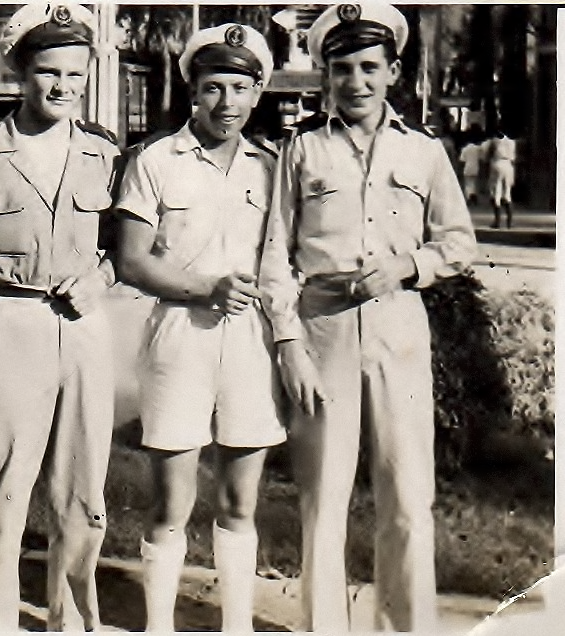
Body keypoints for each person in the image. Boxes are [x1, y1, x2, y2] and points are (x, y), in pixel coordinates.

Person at [258, 2, 477, 631]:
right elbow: (276, 255)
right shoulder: (301, 152)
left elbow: (458, 243)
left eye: (369, 67)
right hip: (323, 330)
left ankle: (406, 625)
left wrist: (409, 267)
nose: (356, 82)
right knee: (323, 499)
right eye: (342, 69)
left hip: (398, 328)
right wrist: (289, 344)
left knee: (408, 498)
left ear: (394, 71)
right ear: (325, 75)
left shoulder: (424, 152)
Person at [0, 3, 120, 630]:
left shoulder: (103, 153)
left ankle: (70, 622)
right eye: (48, 71)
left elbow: (126, 249)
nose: (64, 86)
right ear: (17, 69)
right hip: (10, 326)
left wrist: (102, 278)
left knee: (82, 502)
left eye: (76, 72)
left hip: (84, 333)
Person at [115, 24, 284, 633]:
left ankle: (234, 626)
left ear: (258, 92)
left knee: (240, 503)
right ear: (192, 89)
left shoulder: (273, 168)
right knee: (171, 505)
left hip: (251, 345)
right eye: (213, 87)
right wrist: (204, 288)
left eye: (241, 88)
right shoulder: (155, 160)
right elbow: (132, 260)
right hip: (179, 340)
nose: (227, 102)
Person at [486, 128, 516, 228]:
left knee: (496, 193)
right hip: (509, 164)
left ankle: (497, 221)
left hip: (497, 163)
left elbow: (488, 155)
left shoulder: (494, 141)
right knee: (507, 193)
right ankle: (509, 221)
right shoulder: (512, 142)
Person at [458, 137, 482, 206]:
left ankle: (469, 197)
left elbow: (462, 160)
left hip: (467, 168)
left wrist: (459, 170)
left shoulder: (465, 149)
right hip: (476, 167)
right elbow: (481, 158)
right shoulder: (478, 149)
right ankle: (474, 195)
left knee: (467, 184)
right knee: (474, 184)